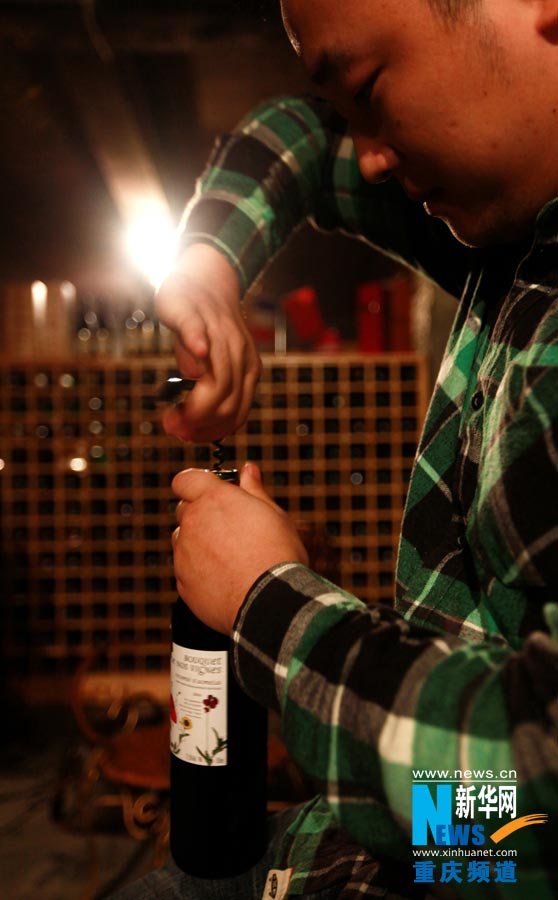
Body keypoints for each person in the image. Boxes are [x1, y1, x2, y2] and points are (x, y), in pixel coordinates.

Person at [111, 0, 558, 896]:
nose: (367, 154)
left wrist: (268, 603)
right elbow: (304, 140)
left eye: (369, 90)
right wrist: (208, 262)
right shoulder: (516, 231)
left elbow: (526, 819)